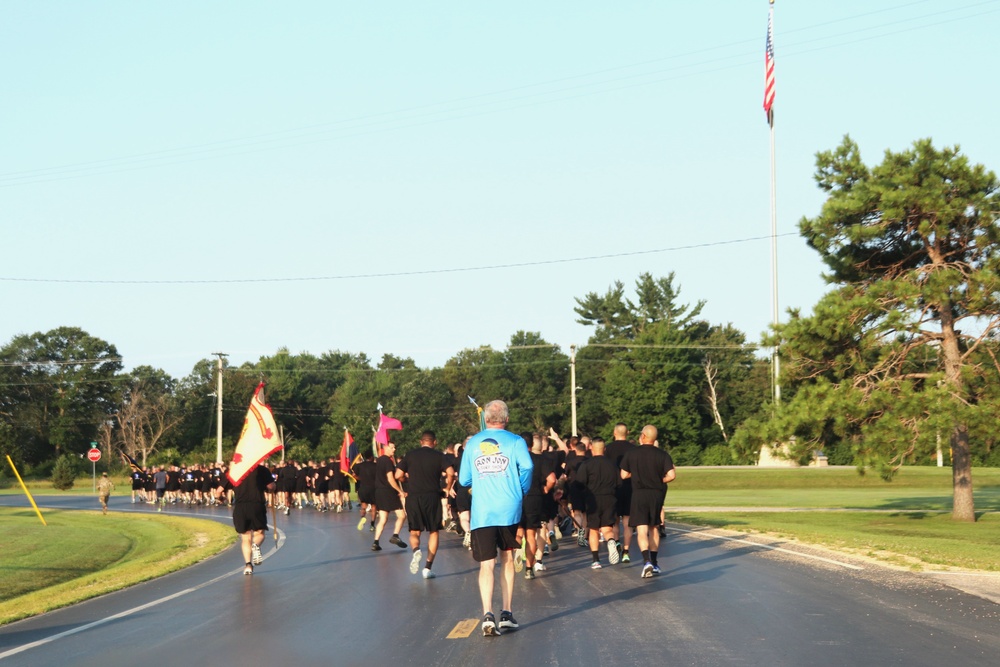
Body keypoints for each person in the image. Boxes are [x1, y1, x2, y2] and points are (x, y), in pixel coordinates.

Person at [458, 400, 533, 637]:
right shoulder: (516, 441)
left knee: (486, 563)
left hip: (483, 511)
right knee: (507, 557)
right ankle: (507, 613)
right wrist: (521, 489)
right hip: (509, 508)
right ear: (507, 419)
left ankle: (488, 614)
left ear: (486, 418)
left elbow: (463, 480)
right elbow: (528, 467)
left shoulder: (472, 444)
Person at [395, 430, 455, 579]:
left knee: (414, 532)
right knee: (433, 532)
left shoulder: (410, 455)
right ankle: (427, 568)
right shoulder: (439, 456)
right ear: (434, 442)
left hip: (414, 497)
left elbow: (398, 475)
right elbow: (451, 472)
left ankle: (416, 550)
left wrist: (406, 481)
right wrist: (447, 488)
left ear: (420, 442)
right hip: (432, 497)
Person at [620, 425, 676, 578]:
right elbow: (671, 475)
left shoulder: (632, 454)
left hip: (639, 493)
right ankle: (655, 562)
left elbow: (623, 475)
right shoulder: (663, 454)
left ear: (643, 436)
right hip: (656, 494)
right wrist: (659, 479)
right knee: (654, 528)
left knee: (642, 529)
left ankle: (646, 561)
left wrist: (638, 474)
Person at [575, 438, 621, 569]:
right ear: (604, 449)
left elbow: (579, 483)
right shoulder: (612, 465)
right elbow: (619, 483)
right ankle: (611, 541)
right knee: (607, 528)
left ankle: (596, 560)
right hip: (609, 498)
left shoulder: (587, 464)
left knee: (594, 529)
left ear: (591, 448)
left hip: (592, 499)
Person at [232, 461, 276, 575]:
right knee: (259, 533)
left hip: (240, 506)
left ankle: (248, 565)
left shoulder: (234, 471)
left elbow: (219, 491)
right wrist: (272, 486)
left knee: (245, 537)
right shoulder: (262, 470)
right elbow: (271, 486)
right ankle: (255, 545)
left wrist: (220, 498)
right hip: (256, 505)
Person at [605, 423, 635, 562]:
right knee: (627, 521)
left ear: (614, 432)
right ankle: (626, 551)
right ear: (627, 433)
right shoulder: (633, 449)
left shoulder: (608, 449)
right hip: (630, 488)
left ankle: (617, 542)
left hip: (613, 488)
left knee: (615, 520)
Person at [372, 441, 407, 551]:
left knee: (383, 518)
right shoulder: (387, 461)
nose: (394, 449)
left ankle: (376, 542)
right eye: (392, 447)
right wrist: (400, 491)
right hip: (388, 491)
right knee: (401, 515)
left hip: (379, 491)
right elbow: (390, 479)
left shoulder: (379, 460)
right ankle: (395, 536)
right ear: (386, 448)